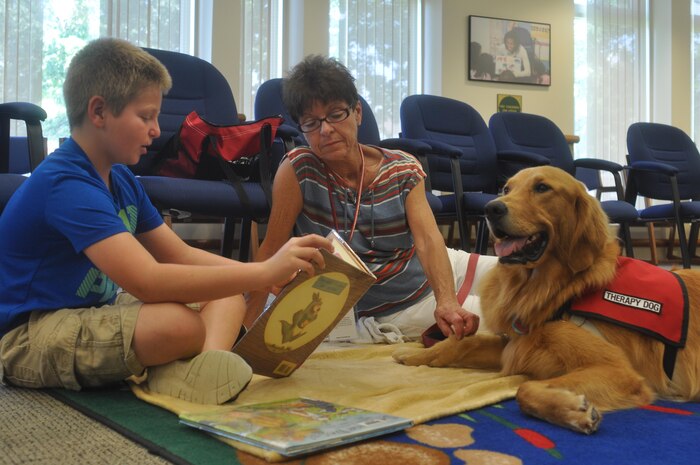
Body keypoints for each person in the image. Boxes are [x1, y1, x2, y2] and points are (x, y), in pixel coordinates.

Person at [0, 38, 332, 405]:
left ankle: (195, 373)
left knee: (224, 295)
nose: (157, 130)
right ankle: (179, 372)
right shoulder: (66, 183)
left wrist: (262, 273)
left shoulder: (121, 178)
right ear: (98, 112)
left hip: (93, 312)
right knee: (179, 326)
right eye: (145, 117)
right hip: (27, 336)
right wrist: (264, 273)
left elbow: (179, 255)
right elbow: (148, 281)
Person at [247, 55, 498, 343]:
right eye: (311, 123)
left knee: (528, 274)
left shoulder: (402, 167)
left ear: (357, 113)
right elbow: (272, 249)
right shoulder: (297, 170)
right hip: (401, 304)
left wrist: (447, 301)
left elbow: (429, 241)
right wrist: (245, 331)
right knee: (511, 317)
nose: (325, 130)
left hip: (437, 266)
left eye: (335, 115)